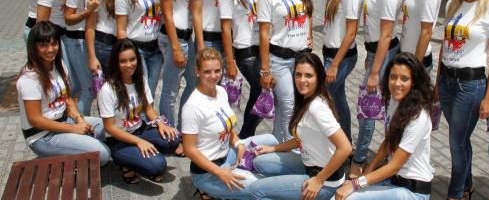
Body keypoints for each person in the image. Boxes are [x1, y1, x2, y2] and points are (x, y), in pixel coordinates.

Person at [438, 0, 489, 200]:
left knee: (456, 142)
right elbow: (445, 46)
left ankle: (456, 193)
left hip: (471, 84)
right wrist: (437, 82)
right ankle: (466, 185)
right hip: (447, 82)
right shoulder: (452, 4)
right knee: (460, 140)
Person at [249, 52, 352, 200]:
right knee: (259, 162)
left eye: (308, 76)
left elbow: (346, 147)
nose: (302, 80)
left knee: (256, 191)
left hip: (326, 181)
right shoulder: (305, 99)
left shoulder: (317, 107)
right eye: (298, 75)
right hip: (309, 165)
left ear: (319, 77)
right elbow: (303, 138)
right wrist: (273, 148)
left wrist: (318, 180)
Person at [335, 52, 435, 200]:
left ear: (413, 82)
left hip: (413, 192)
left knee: (348, 197)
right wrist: (367, 173)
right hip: (394, 181)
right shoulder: (394, 102)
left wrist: (356, 183)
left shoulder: (418, 118)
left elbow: (394, 166)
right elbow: (388, 142)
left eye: (404, 79)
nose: (397, 83)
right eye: (393, 77)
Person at [182, 47, 278, 200]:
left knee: (270, 140)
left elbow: (227, 125)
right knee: (262, 189)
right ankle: (208, 190)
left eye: (217, 71)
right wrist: (220, 172)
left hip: (227, 153)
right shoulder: (192, 107)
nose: (213, 76)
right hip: (208, 172)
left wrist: (239, 143)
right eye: (207, 72)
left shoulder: (221, 91)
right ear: (197, 71)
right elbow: (188, 149)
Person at [17, 21, 110, 166]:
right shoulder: (29, 78)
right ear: (33, 47)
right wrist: (74, 129)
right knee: (102, 154)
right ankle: (48, 161)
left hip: (65, 122)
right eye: (43, 45)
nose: (50, 49)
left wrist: (79, 119)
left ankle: (67, 153)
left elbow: (67, 99)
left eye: (54, 44)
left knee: (112, 127)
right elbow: (35, 120)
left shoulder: (58, 65)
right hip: (43, 136)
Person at [350, 0, 405, 179]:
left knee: (368, 111)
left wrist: (374, 70)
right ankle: (386, 158)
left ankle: (358, 161)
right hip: (378, 53)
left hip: (384, 52)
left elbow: (385, 35)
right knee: (380, 109)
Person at [98, 39, 180, 184]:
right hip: (118, 140)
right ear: (115, 63)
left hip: (140, 129)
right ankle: (126, 163)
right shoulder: (107, 89)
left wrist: (160, 123)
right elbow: (109, 127)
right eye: (123, 61)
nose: (129, 65)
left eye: (132, 59)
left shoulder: (140, 79)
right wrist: (139, 142)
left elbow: (148, 109)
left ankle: (141, 157)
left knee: (173, 138)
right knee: (158, 166)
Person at [258, 0, 314, 143]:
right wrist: (265, 70)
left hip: (302, 59)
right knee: (288, 103)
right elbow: (264, 34)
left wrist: (309, 35)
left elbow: (308, 13)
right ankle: (288, 145)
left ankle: (277, 142)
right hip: (279, 60)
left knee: (291, 105)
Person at [218, 0, 263, 139]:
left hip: (259, 49)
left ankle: (247, 134)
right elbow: (225, 28)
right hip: (244, 51)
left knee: (261, 90)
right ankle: (245, 135)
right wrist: (230, 61)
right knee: (261, 88)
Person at [152, 0, 190, 149]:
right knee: (170, 90)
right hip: (174, 38)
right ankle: (170, 136)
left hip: (185, 38)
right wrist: (176, 46)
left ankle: (183, 129)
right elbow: (166, 13)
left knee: (191, 84)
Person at [322, 0, 363, 141]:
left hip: (341, 57)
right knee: (338, 100)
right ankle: (346, 142)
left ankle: (336, 144)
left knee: (321, 99)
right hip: (331, 54)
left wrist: (335, 65)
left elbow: (351, 33)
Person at [115, 0, 163, 98]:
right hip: (137, 49)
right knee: (141, 94)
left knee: (151, 93)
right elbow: (121, 28)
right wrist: (127, 56)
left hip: (156, 48)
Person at [63, 0, 98, 116]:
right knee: (88, 89)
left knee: (80, 86)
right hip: (76, 40)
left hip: (86, 39)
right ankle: (83, 128)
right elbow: (68, 19)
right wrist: (88, 11)